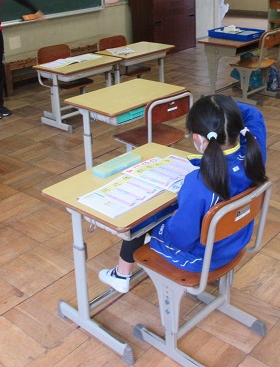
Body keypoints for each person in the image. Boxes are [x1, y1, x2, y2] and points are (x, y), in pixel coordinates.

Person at [99, 95, 267, 293]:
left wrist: (171, 218)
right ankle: (122, 272)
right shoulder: (254, 154)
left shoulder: (199, 182)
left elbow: (181, 239)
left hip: (199, 258)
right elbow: (254, 114)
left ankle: (121, 275)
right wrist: (220, 111)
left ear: (198, 139)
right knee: (178, 212)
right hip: (234, 242)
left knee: (143, 217)